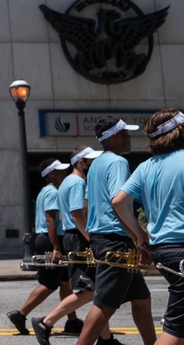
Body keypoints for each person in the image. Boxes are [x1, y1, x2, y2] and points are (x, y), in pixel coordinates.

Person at [73, 116, 155, 345]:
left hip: (106, 240)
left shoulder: (95, 164)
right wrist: (141, 235)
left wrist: (95, 238)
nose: (130, 138)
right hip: (116, 241)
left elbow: (87, 207)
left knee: (141, 298)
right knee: (104, 305)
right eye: (127, 134)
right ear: (116, 136)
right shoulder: (118, 162)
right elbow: (119, 202)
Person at [32, 146, 118, 344]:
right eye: (90, 161)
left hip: (73, 236)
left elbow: (66, 214)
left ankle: (106, 338)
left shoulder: (66, 183)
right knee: (87, 291)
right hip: (79, 237)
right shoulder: (78, 182)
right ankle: (46, 322)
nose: (93, 164)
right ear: (81, 162)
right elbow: (76, 214)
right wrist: (91, 239)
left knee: (96, 291)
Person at [112, 108, 184, 345]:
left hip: (163, 250)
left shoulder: (146, 167)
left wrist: (141, 236)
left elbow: (119, 202)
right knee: (175, 331)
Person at [7, 158, 80, 334]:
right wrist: (56, 247)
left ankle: (72, 321)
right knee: (49, 283)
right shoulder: (52, 192)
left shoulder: (48, 191)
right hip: (51, 240)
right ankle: (20, 314)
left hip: (53, 239)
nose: (65, 173)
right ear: (51, 174)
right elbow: (50, 221)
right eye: (61, 171)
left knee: (65, 283)